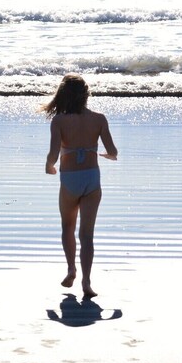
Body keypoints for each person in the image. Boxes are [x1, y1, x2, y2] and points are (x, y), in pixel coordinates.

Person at [42, 74, 118, 299]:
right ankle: (86, 281)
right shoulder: (99, 119)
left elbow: (53, 154)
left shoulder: (59, 121)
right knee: (87, 234)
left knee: (67, 227)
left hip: (70, 180)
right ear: (86, 95)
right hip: (92, 179)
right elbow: (113, 152)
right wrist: (104, 155)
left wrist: (49, 167)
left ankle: (71, 270)